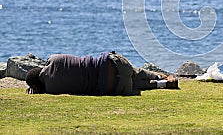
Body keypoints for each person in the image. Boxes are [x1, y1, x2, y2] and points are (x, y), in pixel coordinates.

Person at [25, 51, 178, 95]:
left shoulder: (51, 89)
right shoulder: (54, 58)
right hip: (113, 64)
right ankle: (158, 76)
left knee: (134, 85)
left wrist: (36, 89)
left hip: (111, 87)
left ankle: (160, 84)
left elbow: (46, 86)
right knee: (134, 72)